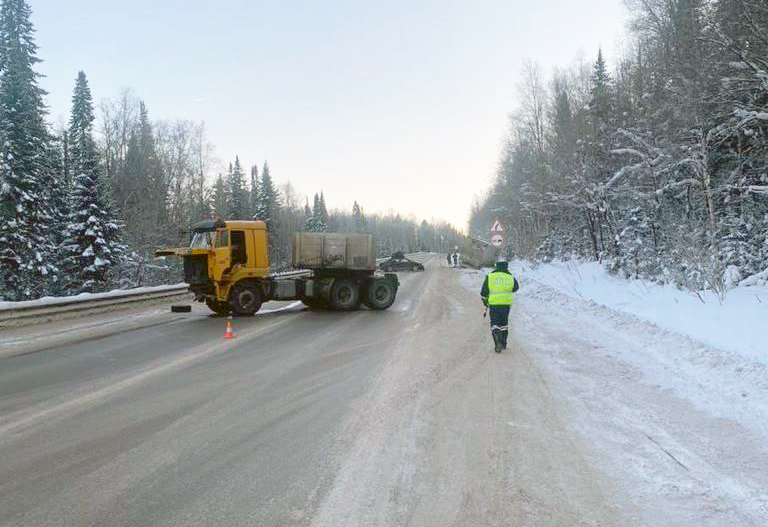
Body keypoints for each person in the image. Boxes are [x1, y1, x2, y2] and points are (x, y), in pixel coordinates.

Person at [480, 260, 519, 352]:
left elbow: (484, 292)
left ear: (496, 266)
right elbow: (516, 287)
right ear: (506, 267)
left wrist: (485, 302)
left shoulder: (490, 276)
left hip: (494, 304)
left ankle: (497, 341)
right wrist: (507, 291)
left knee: (495, 323)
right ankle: (503, 343)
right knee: (504, 324)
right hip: (506, 304)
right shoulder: (510, 277)